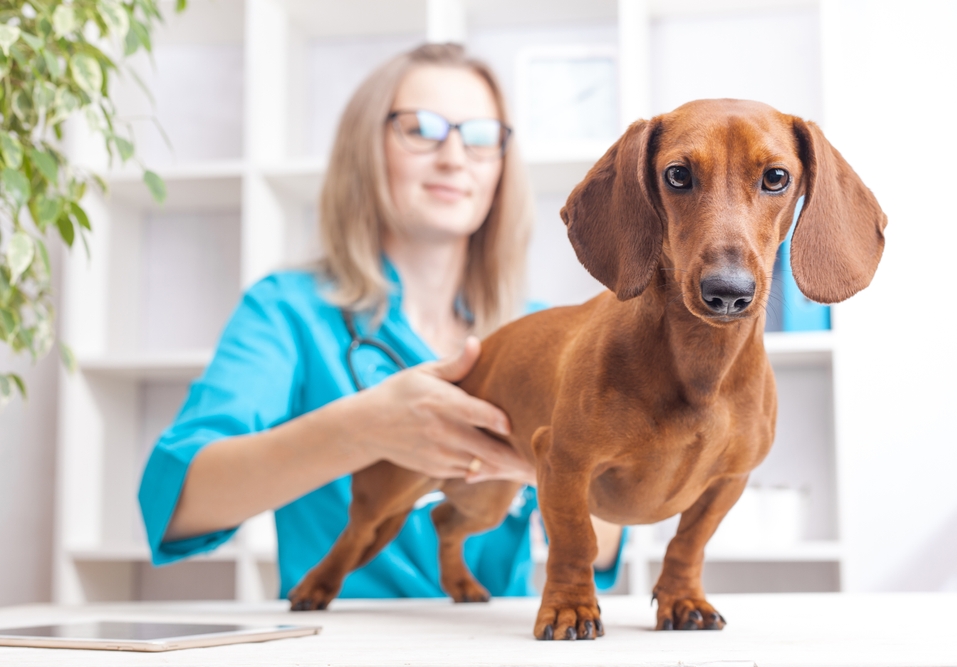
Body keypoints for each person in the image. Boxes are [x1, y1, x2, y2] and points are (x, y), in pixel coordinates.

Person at [138, 43, 623, 600]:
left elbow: (606, 543)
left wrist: (547, 465)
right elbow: (175, 507)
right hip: (342, 645)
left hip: (499, 643)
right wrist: (361, 429)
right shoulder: (288, 311)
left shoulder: (544, 332)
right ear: (365, 148)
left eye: (482, 135)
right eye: (422, 128)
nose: (454, 156)